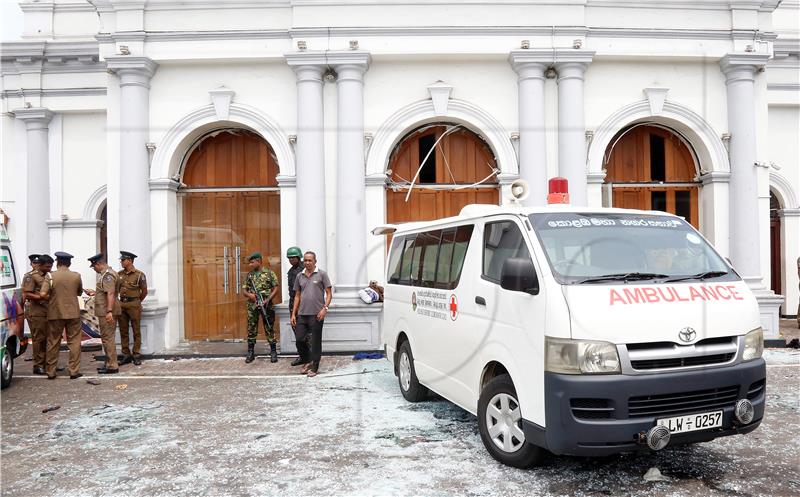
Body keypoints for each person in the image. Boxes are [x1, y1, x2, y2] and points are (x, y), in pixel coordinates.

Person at [40, 252, 83, 380]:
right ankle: (74, 371)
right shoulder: (76, 276)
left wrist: (52, 298)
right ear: (69, 263)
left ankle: (51, 371)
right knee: (74, 342)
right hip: (73, 313)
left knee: (53, 342)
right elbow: (79, 292)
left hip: (55, 313)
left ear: (57, 262)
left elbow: (42, 294)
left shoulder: (50, 276)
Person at [290, 251, 332, 377]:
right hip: (302, 314)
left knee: (315, 341)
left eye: (310, 260)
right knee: (299, 339)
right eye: (306, 260)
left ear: (315, 261)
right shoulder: (299, 276)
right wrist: (293, 314)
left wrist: (325, 309)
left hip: (317, 314)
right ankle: (307, 360)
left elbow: (329, 294)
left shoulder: (322, 274)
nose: (307, 262)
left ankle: (315, 367)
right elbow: (297, 296)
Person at [85, 254, 120, 374]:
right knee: (107, 338)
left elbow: (110, 293)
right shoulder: (106, 274)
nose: (94, 269)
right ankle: (109, 363)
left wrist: (109, 311)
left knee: (107, 338)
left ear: (99, 264)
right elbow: (105, 292)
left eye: (94, 267)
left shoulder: (108, 275)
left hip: (106, 311)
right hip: (105, 310)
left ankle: (112, 366)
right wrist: (95, 293)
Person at [242, 252, 279, 363]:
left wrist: (267, 300)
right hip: (252, 305)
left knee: (269, 326)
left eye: (252, 262)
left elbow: (276, 288)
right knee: (251, 328)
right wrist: (251, 296)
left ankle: (273, 351)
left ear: (259, 261)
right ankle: (250, 352)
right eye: (250, 263)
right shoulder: (249, 275)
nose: (250, 265)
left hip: (266, 304)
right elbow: (244, 290)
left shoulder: (269, 273)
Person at [117, 251, 147, 365]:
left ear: (130, 261)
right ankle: (126, 354)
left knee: (136, 330)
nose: (121, 262)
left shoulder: (139, 275)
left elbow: (144, 291)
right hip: (122, 304)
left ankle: (136, 354)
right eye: (121, 260)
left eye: (123, 260)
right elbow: (115, 290)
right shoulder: (119, 274)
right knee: (123, 330)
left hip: (134, 305)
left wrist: (137, 301)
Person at [22, 254, 47, 374]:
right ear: (32, 264)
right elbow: (26, 293)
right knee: (38, 338)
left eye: (39, 263)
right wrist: (41, 297)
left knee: (48, 338)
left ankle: (48, 363)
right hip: (36, 311)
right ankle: (38, 365)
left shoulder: (47, 275)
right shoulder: (30, 277)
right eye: (35, 263)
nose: (37, 265)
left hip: (48, 311)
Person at [285, 246, 305, 367]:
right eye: (289, 258)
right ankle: (302, 355)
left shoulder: (304, 270)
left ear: (298, 257)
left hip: (303, 303)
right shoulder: (291, 270)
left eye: (293, 258)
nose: (291, 260)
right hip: (293, 302)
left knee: (306, 332)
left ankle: (309, 357)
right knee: (297, 331)